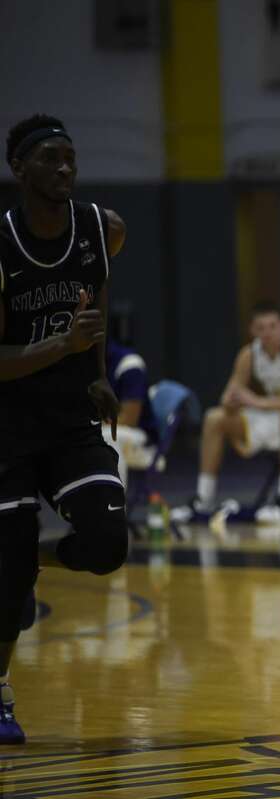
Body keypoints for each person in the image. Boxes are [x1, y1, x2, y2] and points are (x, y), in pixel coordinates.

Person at [0, 114, 131, 744]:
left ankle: (36, 557)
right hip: (9, 425)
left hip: (72, 414)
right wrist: (59, 347)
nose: (64, 169)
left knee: (108, 542)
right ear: (19, 169)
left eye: (70, 158)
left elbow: (97, 299)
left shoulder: (101, 230)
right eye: (49, 159)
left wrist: (98, 370)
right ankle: (0, 698)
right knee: (3, 577)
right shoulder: (0, 247)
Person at [176, 302, 280, 521]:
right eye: (261, 327)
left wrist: (256, 402)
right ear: (252, 330)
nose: (267, 332)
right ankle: (204, 498)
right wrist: (231, 401)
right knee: (214, 417)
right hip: (271, 416)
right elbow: (230, 393)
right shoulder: (249, 354)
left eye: (272, 326)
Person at [101, 336, 156, 484]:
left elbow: (129, 419)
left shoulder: (129, 364)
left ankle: (115, 503)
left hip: (141, 438)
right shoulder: (84, 366)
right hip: (104, 427)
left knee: (110, 437)